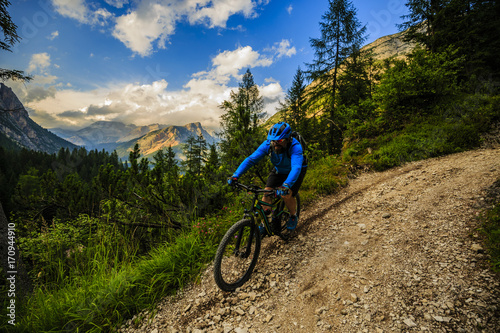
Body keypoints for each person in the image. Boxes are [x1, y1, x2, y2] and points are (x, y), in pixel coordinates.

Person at [228, 122, 307, 234]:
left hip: (295, 171)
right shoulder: (268, 145)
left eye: (279, 141)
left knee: (286, 194)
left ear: (288, 139)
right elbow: (251, 159)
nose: (275, 144)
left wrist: (286, 185)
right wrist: (236, 175)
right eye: (273, 141)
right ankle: (266, 222)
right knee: (266, 193)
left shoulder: (295, 147)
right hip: (279, 169)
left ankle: (293, 216)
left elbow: (296, 168)